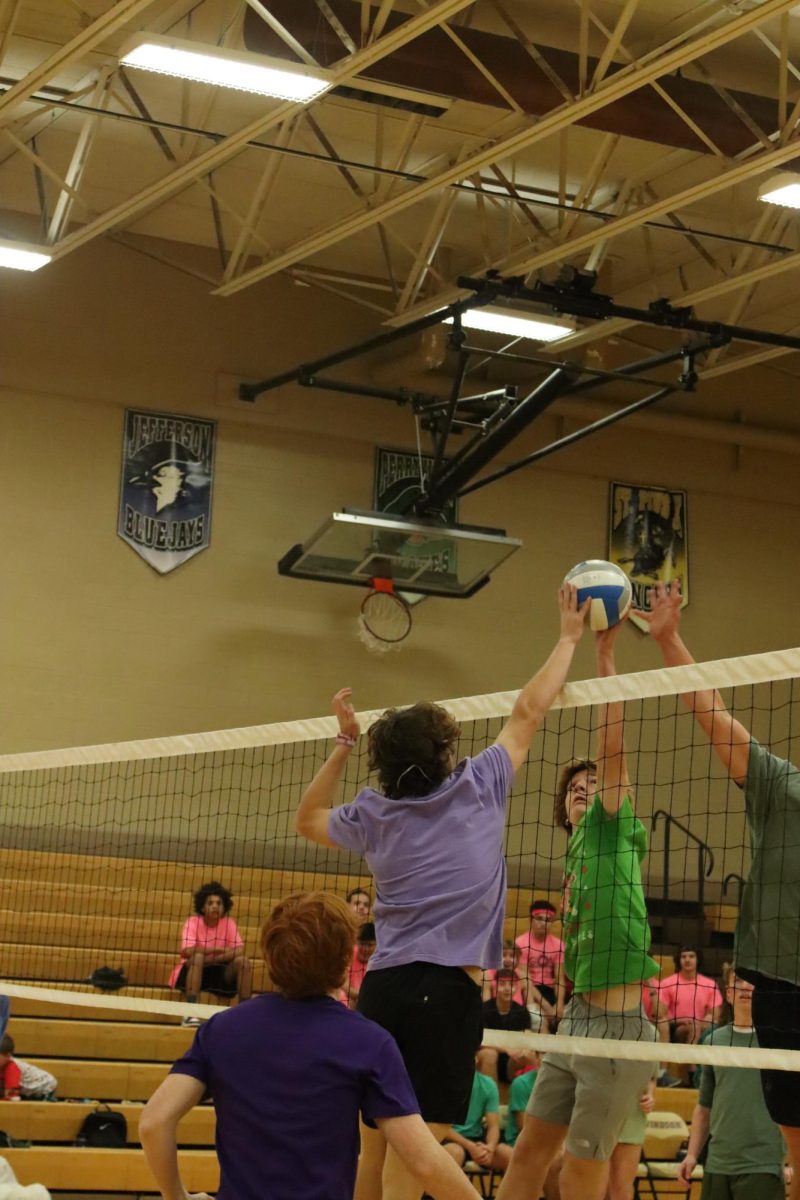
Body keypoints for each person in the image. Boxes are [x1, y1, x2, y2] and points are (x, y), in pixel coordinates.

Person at [295, 585, 589, 1200]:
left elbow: (307, 819)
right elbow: (530, 710)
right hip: (444, 992)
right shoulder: (479, 784)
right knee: (416, 1155)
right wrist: (567, 638)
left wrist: (343, 743)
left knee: (372, 1146)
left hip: (383, 989)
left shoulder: (372, 812)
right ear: (445, 750)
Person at [140, 891, 483, 1200]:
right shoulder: (369, 1042)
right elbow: (423, 1161)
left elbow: (154, 1123)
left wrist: (178, 1196)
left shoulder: (222, 1029)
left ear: (270, 956)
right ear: (343, 962)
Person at [646, 580, 800, 1199]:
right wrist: (668, 638)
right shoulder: (782, 785)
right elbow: (709, 714)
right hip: (779, 977)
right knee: (794, 1133)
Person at [496, 622, 660, 1200]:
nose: (585, 791)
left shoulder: (613, 829)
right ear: (564, 810)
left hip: (618, 1029)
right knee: (530, 1155)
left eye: (594, 784)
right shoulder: (573, 857)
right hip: (576, 1024)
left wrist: (604, 654)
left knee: (587, 1172)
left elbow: (613, 749)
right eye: (575, 790)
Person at [678, 969, 787, 1198]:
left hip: (762, 1165)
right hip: (717, 1163)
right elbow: (704, 1106)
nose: (746, 987)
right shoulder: (713, 1041)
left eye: (752, 983)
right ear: (728, 994)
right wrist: (692, 1154)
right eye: (739, 981)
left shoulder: (778, 1041)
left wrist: (792, 1162)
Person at [168, 880, 252, 1025]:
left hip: (218, 974)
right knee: (198, 958)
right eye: (210, 903)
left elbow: (240, 950)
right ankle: (190, 1013)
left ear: (224, 907)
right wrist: (217, 950)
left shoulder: (229, 923)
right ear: (202, 907)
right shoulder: (192, 922)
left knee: (243, 961)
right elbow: (187, 951)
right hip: (193, 972)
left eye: (219, 903)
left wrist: (213, 959)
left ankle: (247, 1014)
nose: (215, 906)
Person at [441, 1066, 512, 1175]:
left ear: (477, 1058)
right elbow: (441, 1127)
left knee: (509, 1154)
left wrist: (490, 1148)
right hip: (450, 1139)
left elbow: (493, 1126)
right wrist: (470, 1146)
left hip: (477, 1139)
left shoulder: (488, 1084)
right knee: (455, 1152)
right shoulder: (443, 1083)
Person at [656, 946, 723, 1044]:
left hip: (701, 1026)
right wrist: (681, 1020)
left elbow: (715, 1015)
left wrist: (703, 1021)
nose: (687, 960)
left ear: (698, 960)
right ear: (679, 960)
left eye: (691, 956)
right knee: (694, 1028)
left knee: (705, 1025)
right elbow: (661, 1015)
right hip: (675, 1027)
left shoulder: (710, 984)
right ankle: (689, 1058)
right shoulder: (667, 983)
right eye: (683, 957)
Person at [478, 968, 534, 1083]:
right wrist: (507, 1049)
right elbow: (480, 1040)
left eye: (511, 984)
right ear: (495, 986)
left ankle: (523, 1097)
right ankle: (491, 1098)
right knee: (489, 1053)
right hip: (491, 1059)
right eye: (502, 984)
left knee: (529, 1054)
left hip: (512, 1062)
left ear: (517, 987)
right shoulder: (484, 1009)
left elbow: (527, 1036)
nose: (507, 988)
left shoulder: (522, 1011)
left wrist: (520, 1050)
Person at [515, 900, 564, 1028]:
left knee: (565, 1022)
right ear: (531, 920)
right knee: (541, 1022)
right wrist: (547, 1007)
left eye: (548, 920)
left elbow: (560, 979)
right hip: (530, 991)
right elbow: (526, 979)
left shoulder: (558, 945)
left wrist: (559, 1004)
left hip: (550, 990)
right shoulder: (521, 943)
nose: (544, 923)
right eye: (539, 919)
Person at [606, 1077, 657, 1200]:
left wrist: (649, 1095)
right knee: (592, 1189)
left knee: (623, 1190)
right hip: (596, 1111)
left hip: (632, 1116)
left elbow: (651, 1076)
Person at [0, 1036, 57, 1100]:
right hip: (27, 1087)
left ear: (8, 1056)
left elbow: (12, 1097)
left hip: (45, 1086)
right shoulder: (3, 1064)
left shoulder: (12, 1068)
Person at [482, 942, 525, 1007]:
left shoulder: (522, 975)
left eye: (512, 956)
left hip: (518, 1013)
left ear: (518, 959)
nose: (507, 960)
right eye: (503, 955)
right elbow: (486, 1004)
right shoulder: (487, 975)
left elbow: (531, 1003)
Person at [346, 921, 377, 1008]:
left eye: (370, 945)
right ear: (357, 942)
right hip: (350, 1001)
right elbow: (344, 985)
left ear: (377, 945)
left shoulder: (379, 961)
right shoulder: (349, 954)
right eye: (362, 944)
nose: (365, 949)